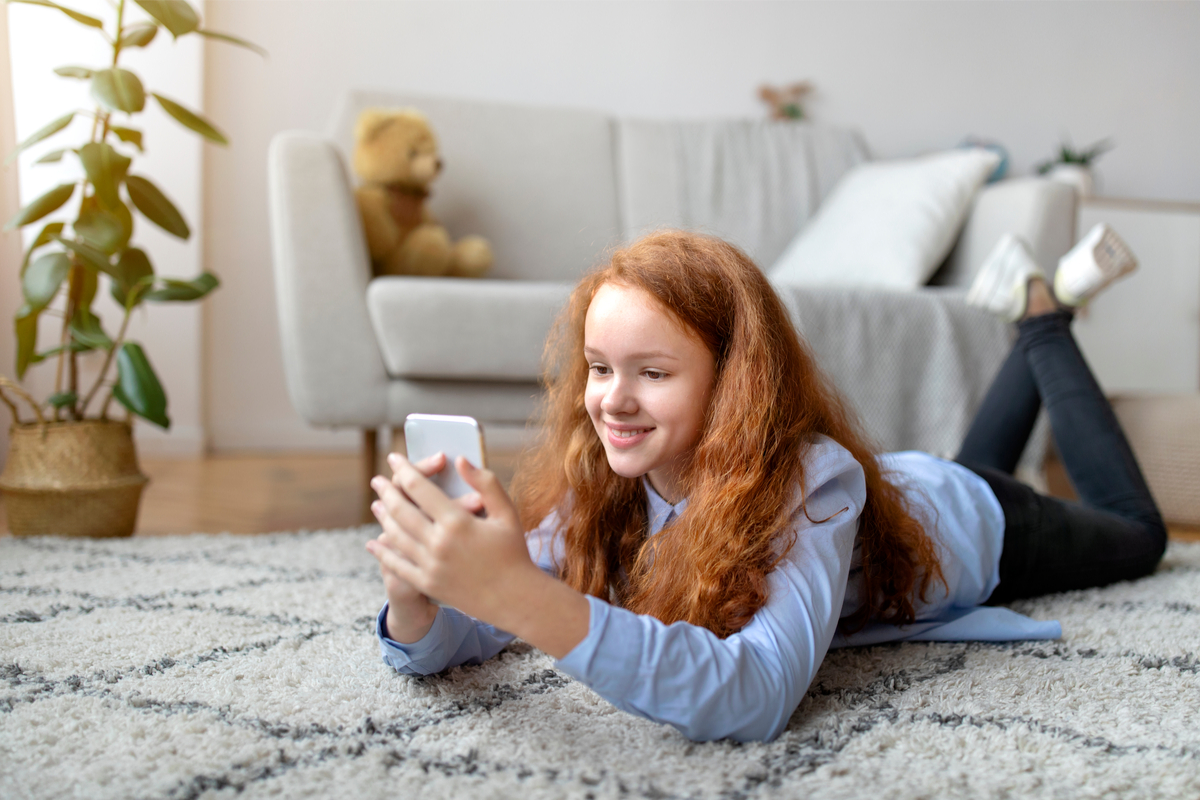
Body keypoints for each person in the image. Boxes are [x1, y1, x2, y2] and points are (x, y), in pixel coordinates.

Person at [364, 229, 1166, 743]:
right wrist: (418, 600)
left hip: (979, 519)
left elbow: (758, 693)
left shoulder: (813, 482)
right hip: (903, 496)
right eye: (600, 368)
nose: (611, 400)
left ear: (733, 384)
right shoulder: (602, 480)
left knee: (1138, 534)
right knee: (972, 457)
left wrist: (520, 595)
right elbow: (462, 635)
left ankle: (1043, 315)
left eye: (652, 373)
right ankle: (1034, 306)